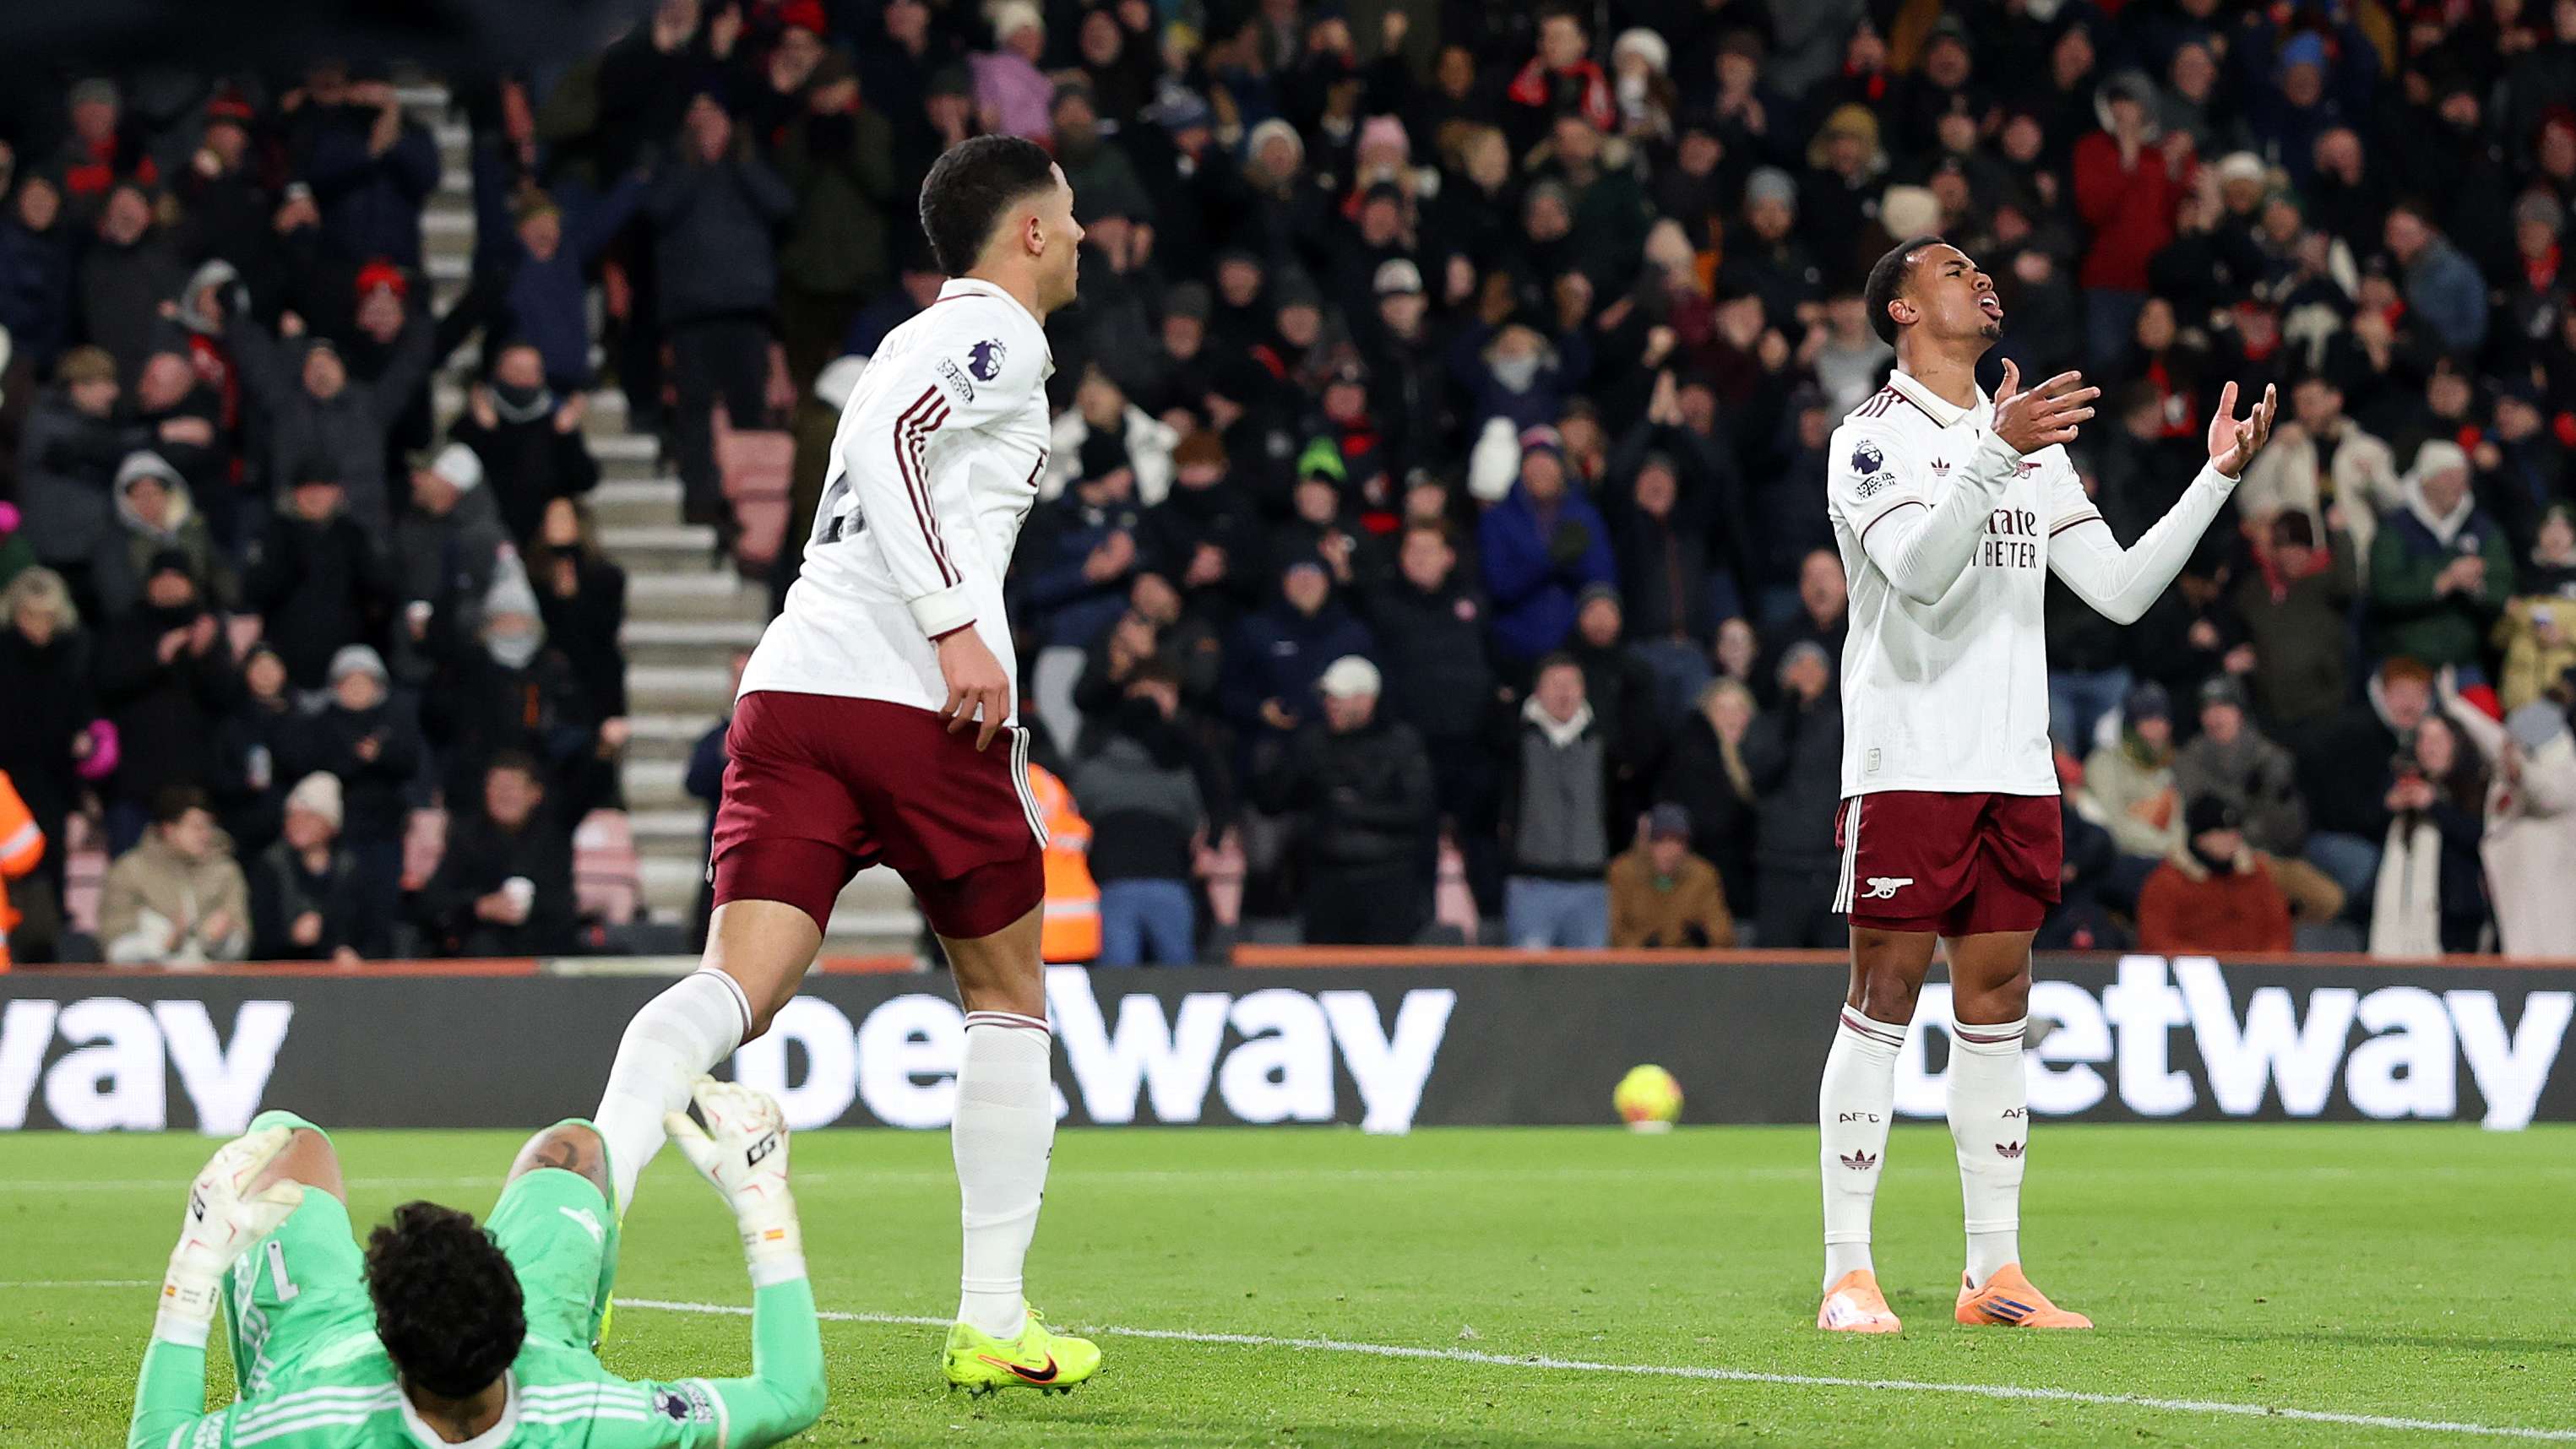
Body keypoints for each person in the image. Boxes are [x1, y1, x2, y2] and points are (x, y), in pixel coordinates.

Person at [585, 134, 1102, 1393]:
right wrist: (952, 626)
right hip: (912, 702)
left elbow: (883, 439)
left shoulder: (927, 338)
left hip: (793, 692)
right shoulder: (991, 334)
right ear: (1026, 232)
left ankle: (567, 1250)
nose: (1084, 235)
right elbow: (885, 435)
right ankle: (990, 1316)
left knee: (734, 989)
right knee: (1008, 991)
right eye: (1071, 216)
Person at [1812, 235, 2274, 1337]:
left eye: (1982, 267)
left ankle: (1994, 1275)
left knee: (1998, 1007)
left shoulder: (2028, 445)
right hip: (1908, 761)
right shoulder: (1867, 443)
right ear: (1899, 312)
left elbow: (2115, 592)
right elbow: (1918, 581)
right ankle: (1846, 1272)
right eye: (1948, 270)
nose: (1979, 279)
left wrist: (2213, 479)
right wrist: (1990, 451)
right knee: (1882, 1000)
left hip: (2014, 769)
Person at [125, 1079, 824, 1446]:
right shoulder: (590, 1416)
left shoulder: (306, 1423)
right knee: (576, 1148)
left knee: (284, 1142)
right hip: (549, 1355)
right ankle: (577, 1326)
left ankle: (264, 1355)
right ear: (515, 1314)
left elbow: (159, 1441)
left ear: (385, 1340)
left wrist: (194, 1272)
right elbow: (790, 1397)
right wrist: (764, 1211)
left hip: (315, 1348)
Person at [1253, 655, 1438, 945]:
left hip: (1387, 880)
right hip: (1325, 879)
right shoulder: (1312, 744)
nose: (1331, 704)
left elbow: (1417, 811)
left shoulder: (1401, 744)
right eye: (1328, 698)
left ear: (1366, 701)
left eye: (1339, 697)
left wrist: (1352, 809)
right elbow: (1273, 802)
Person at [1070, 660, 1207, 966]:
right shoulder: (1176, 773)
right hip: (1169, 881)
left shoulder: (1094, 772)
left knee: (1116, 982)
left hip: (1113, 883)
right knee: (1180, 983)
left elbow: (1076, 817)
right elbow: (1193, 823)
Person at [1500, 654, 1615, 949]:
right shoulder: (1512, 739)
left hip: (1592, 885)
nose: (1565, 692)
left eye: (1572, 684)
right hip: (1531, 884)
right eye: (1556, 684)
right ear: (1538, 691)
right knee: (1529, 986)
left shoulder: (1605, 740)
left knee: (1589, 985)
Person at [417, 752, 577, 958]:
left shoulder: (553, 840)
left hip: (540, 948)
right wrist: (480, 906)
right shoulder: (467, 838)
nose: (504, 796)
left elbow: (562, 906)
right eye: (496, 787)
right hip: (479, 948)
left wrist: (528, 907)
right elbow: (433, 900)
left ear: (535, 794)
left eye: (512, 788)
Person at [101, 786, 250, 965]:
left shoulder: (225, 871)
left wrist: (219, 941)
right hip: (146, 985)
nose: (205, 835)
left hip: (215, 983)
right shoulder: (130, 870)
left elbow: (241, 944)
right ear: (169, 829)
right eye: (196, 827)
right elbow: (114, 948)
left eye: (209, 826)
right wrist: (162, 944)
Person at [2134, 795, 2296, 953]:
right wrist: (2205, 966)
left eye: (2234, 832)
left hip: (2256, 975)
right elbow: (2157, 940)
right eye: (2220, 832)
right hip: (2194, 975)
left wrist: (2267, 965)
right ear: (2199, 837)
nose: (2230, 839)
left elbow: (2279, 930)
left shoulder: (2256, 875)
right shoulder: (2167, 882)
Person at [248, 773, 366, 963]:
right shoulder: (271, 866)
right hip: (284, 974)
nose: (298, 823)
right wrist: (291, 938)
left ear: (331, 825)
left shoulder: (350, 868)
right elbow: (260, 938)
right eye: (292, 815)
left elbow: (368, 932)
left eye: (309, 817)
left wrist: (344, 950)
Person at [1609, 802, 1734, 948]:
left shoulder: (1703, 875)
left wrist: (1705, 938)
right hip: (1636, 964)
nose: (1670, 850)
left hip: (1687, 964)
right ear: (1647, 843)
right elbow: (1612, 933)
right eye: (1660, 840)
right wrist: (1643, 949)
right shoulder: (1623, 872)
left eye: (1678, 841)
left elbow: (1724, 937)